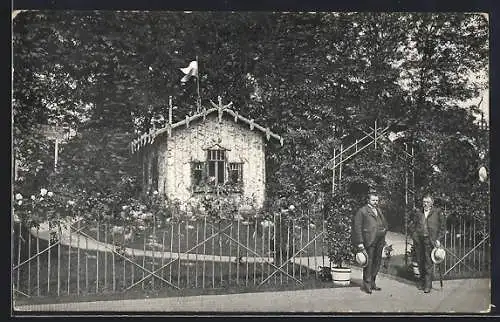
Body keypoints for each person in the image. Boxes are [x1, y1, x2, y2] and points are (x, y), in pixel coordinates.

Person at [352, 191, 389, 294]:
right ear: (368, 200)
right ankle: (366, 284)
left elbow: (384, 222)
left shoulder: (379, 210)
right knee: (369, 262)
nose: (375, 202)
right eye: (373, 200)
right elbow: (357, 228)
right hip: (369, 240)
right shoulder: (362, 211)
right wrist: (360, 242)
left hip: (380, 240)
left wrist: (385, 229)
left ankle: (373, 283)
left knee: (377, 262)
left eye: (377, 200)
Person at [412, 194, 446, 293]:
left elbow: (443, 227)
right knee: (420, 261)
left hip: (430, 241)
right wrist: (414, 235)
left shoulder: (437, 212)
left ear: (432, 203)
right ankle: (423, 282)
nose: (425, 204)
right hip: (419, 241)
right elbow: (413, 225)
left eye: (427, 202)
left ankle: (428, 285)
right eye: (424, 202)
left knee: (428, 263)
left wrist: (439, 239)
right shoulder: (419, 213)